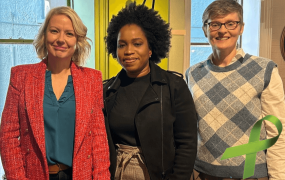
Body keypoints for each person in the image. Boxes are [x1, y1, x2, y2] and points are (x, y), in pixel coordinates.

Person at [0, 6, 110, 180]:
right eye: (54, 31)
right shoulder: (21, 77)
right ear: (44, 36)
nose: (60, 39)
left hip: (79, 175)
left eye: (69, 33)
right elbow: (8, 136)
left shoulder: (91, 80)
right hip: (33, 175)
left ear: (77, 40)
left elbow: (99, 139)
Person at [185, 0, 285, 180]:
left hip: (250, 175)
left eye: (231, 23)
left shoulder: (265, 70)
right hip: (204, 174)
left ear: (241, 28)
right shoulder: (192, 74)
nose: (223, 30)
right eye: (215, 24)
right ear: (205, 30)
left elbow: (277, 132)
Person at [104, 2, 197, 180]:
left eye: (137, 44)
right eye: (122, 45)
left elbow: (187, 143)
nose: (129, 51)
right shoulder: (107, 90)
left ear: (150, 48)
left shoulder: (174, 86)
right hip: (118, 174)